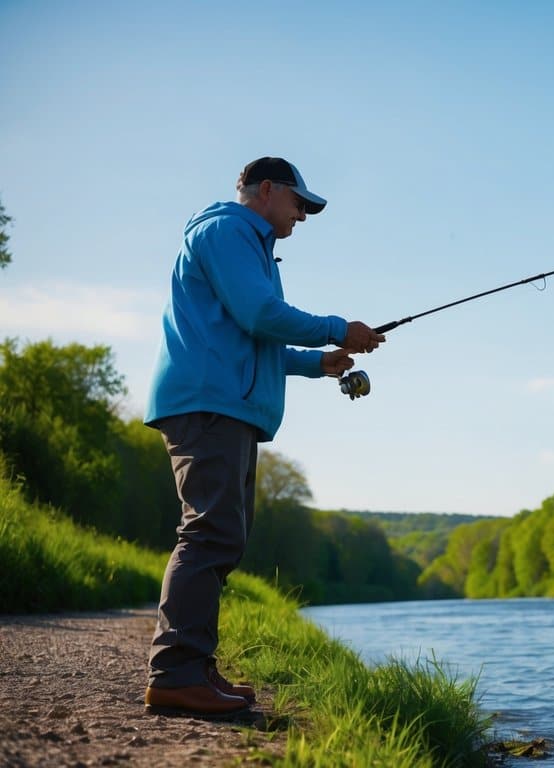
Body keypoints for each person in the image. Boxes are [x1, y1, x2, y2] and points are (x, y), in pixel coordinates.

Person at [142, 157, 385, 717]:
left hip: (226, 405)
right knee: (209, 534)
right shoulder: (226, 229)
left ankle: (194, 665)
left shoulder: (248, 244)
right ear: (267, 190)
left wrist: (317, 362)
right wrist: (335, 326)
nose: (303, 215)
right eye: (300, 203)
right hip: (208, 403)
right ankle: (175, 673)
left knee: (224, 535)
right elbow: (259, 313)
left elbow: (255, 335)